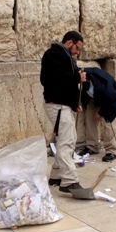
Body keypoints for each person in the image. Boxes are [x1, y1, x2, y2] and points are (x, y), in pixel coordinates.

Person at [41, 31, 92, 197]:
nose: (78, 51)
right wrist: (78, 77)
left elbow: (67, 81)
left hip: (63, 105)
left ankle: (56, 177)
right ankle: (70, 181)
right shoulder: (55, 55)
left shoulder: (64, 56)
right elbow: (57, 80)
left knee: (66, 139)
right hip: (57, 105)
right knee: (67, 142)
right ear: (70, 42)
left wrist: (75, 103)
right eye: (77, 47)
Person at [77, 67, 116, 163]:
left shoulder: (104, 85)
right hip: (93, 99)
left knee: (107, 123)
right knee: (89, 120)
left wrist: (101, 112)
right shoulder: (83, 80)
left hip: (110, 102)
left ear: (86, 76)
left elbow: (113, 100)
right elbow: (83, 94)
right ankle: (92, 146)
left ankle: (111, 151)